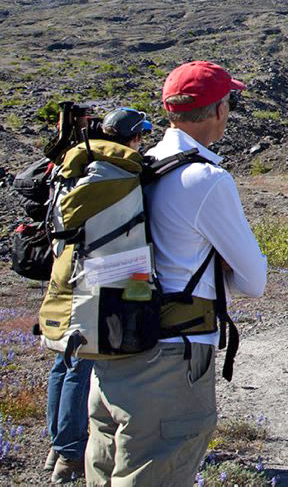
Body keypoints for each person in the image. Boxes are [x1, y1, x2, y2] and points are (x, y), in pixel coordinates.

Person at [85, 62, 267, 486]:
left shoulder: (135, 167)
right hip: (172, 359)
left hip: (111, 349)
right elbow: (254, 280)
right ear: (221, 110)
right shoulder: (206, 179)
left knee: (107, 470)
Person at [45, 108, 151, 483]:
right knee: (80, 364)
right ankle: (71, 454)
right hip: (97, 281)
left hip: (65, 270)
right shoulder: (119, 173)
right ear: (134, 137)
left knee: (63, 362)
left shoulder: (77, 164)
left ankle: (58, 447)